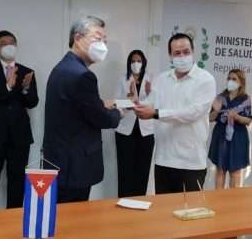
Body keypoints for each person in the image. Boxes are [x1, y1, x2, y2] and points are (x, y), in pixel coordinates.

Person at [43, 16, 121, 203]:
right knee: (71, 222)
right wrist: (119, 112)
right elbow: (102, 119)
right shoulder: (83, 75)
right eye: (97, 38)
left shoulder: (63, 67)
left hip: (58, 159)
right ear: (77, 38)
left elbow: (75, 107)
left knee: (60, 216)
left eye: (105, 41)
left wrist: (98, 104)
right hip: (74, 165)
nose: (103, 45)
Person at [134, 33, 216, 194]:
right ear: (170, 56)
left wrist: (156, 113)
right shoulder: (162, 79)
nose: (182, 56)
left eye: (186, 51)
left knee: (189, 214)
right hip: (163, 160)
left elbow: (193, 113)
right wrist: (134, 104)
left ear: (193, 51)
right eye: (177, 53)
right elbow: (150, 103)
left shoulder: (205, 80)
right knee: (164, 215)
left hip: (191, 163)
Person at [0, 30, 38, 211]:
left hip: (19, 137)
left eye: (12, 42)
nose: (9, 46)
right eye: (4, 43)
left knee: (17, 185)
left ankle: (13, 227)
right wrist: (7, 87)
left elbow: (33, 102)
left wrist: (26, 89)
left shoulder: (27, 71)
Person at [115, 50, 154, 197]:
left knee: (142, 170)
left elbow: (155, 104)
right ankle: (123, 201)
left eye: (138, 60)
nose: (135, 64)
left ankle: (139, 202)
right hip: (125, 131)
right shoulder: (122, 79)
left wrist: (150, 93)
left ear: (143, 63)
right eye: (133, 61)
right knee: (125, 170)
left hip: (146, 131)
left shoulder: (151, 79)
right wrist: (128, 100)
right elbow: (116, 102)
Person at [208, 69, 252, 189]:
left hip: (238, 137)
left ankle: (233, 202)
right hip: (221, 136)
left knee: (235, 172)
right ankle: (218, 200)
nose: (230, 81)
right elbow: (210, 118)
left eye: (234, 79)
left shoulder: (245, 99)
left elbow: (248, 120)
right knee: (220, 170)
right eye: (229, 78)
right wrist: (216, 111)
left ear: (241, 82)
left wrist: (236, 117)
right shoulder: (220, 97)